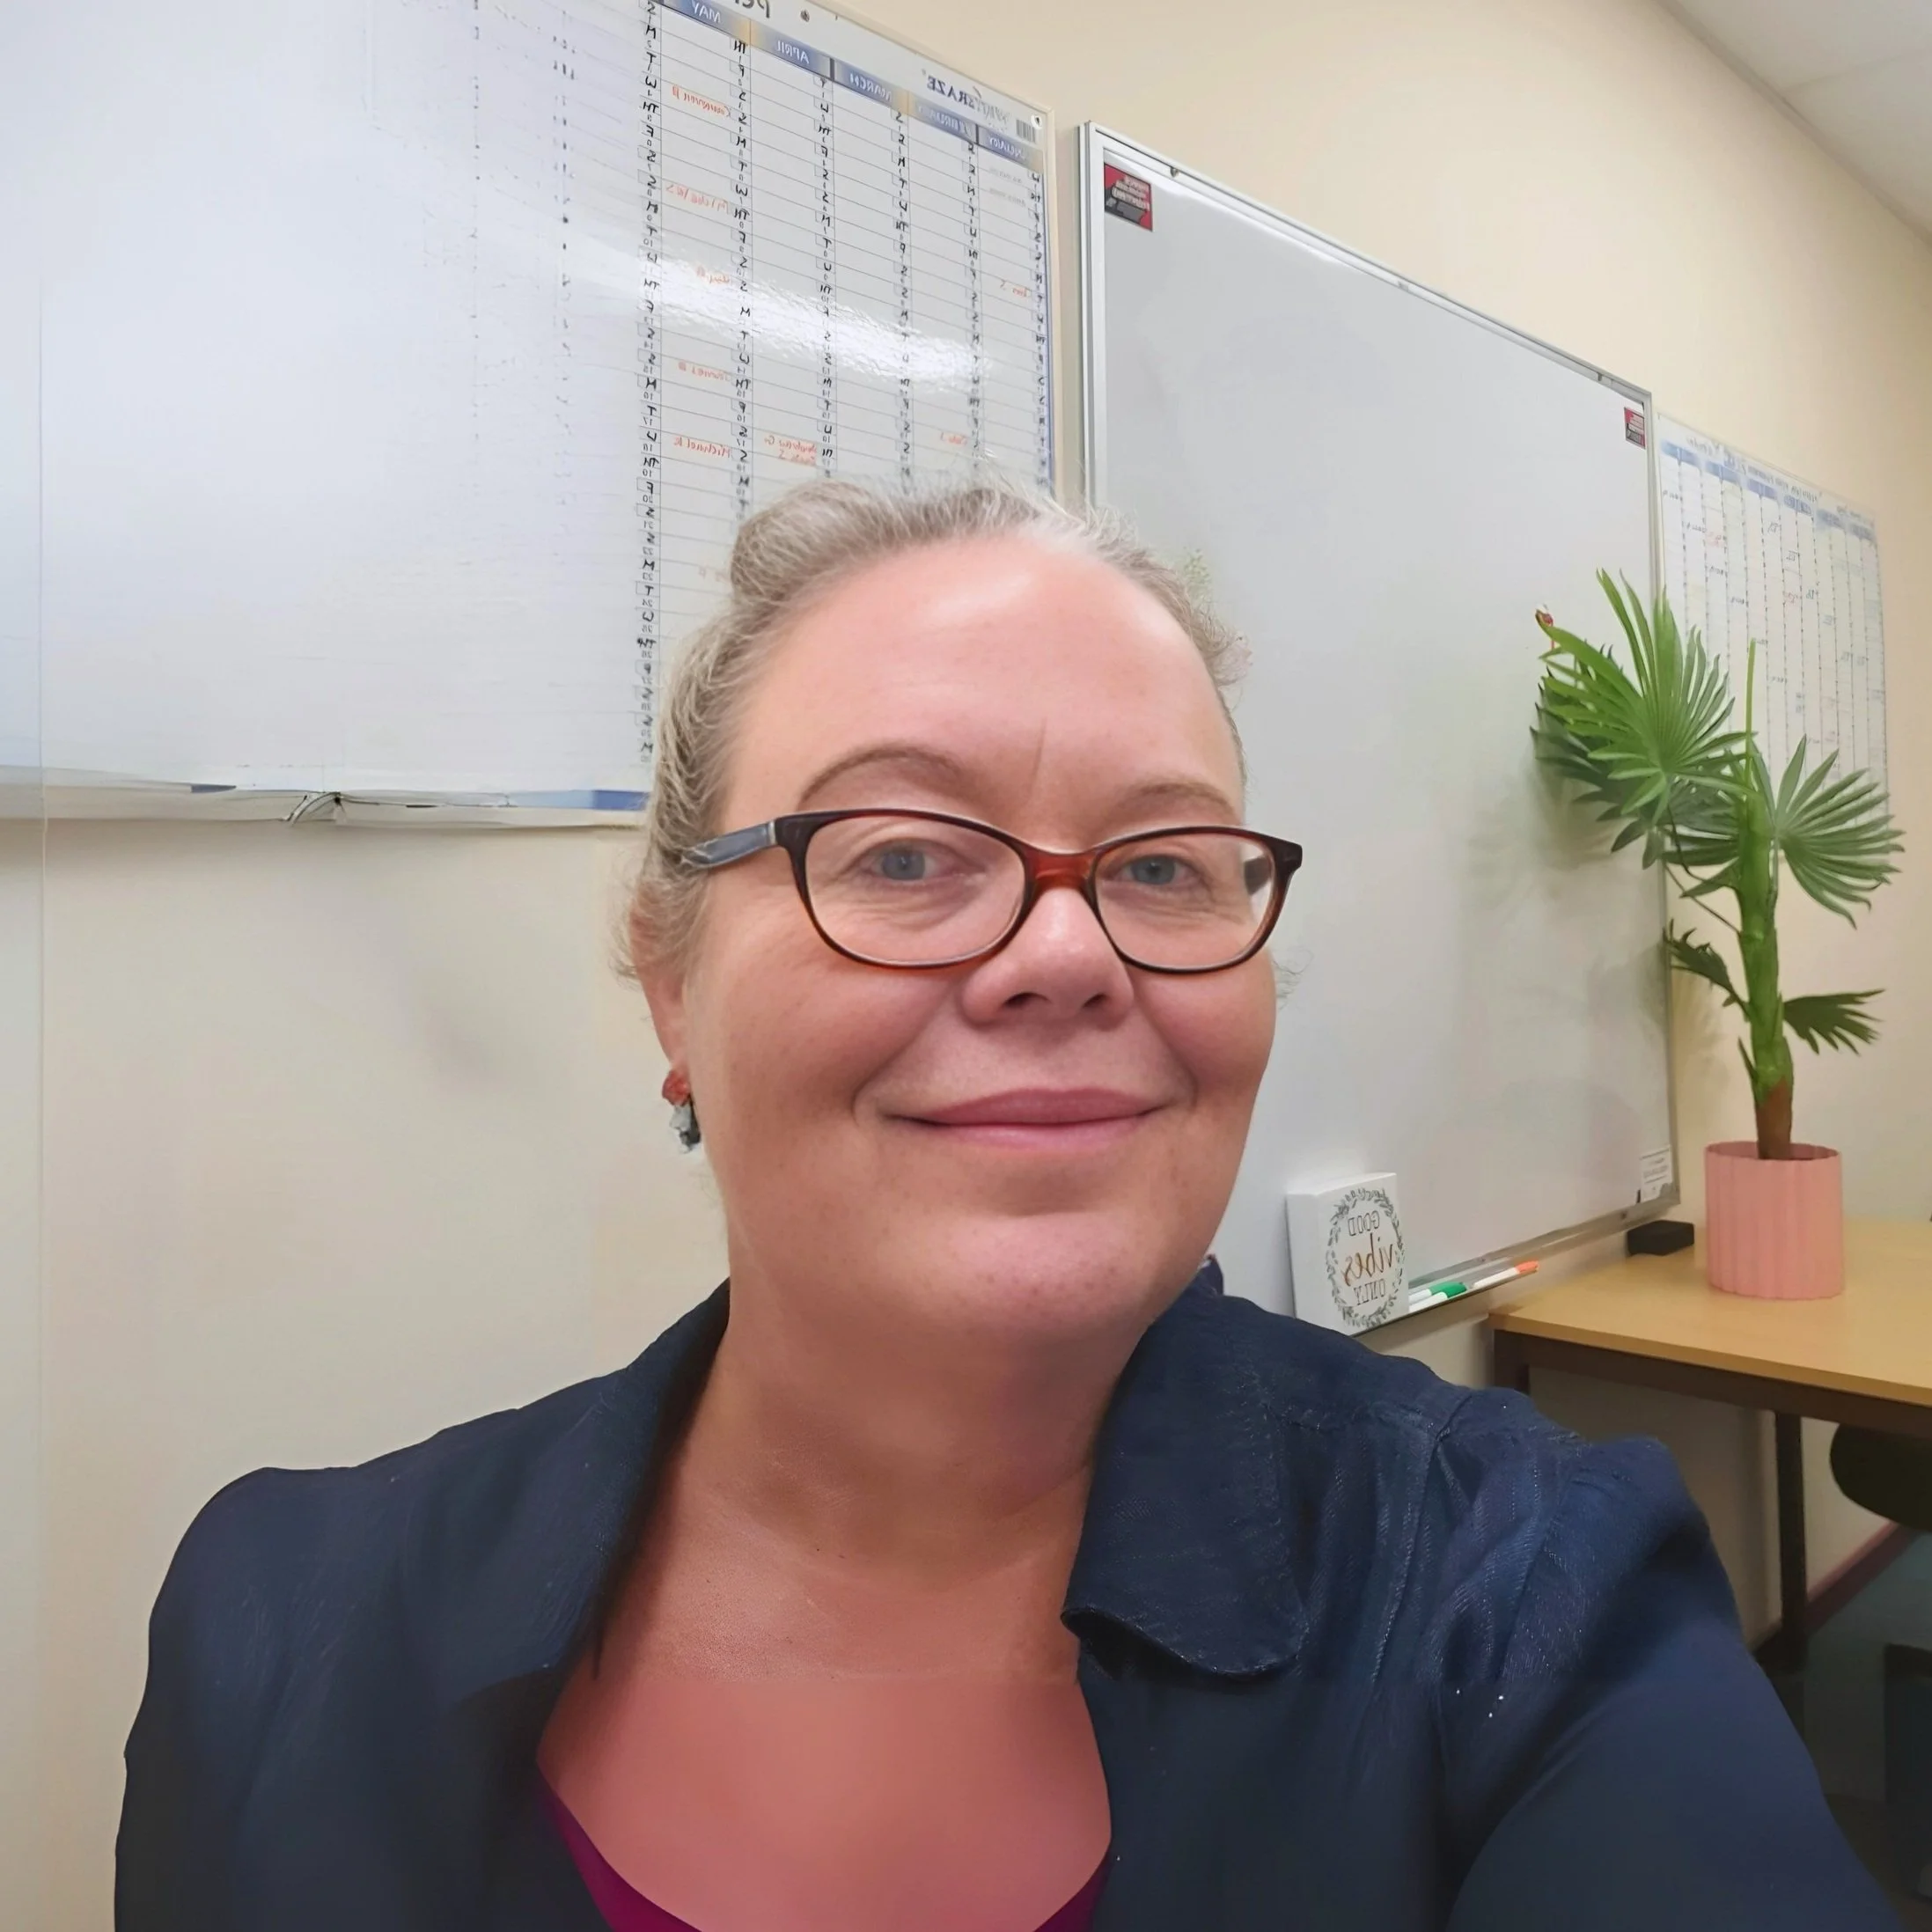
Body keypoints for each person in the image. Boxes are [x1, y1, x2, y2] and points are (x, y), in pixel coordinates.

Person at [117, 480, 1890, 1931]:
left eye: (1163, 864)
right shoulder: (283, 1621)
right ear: (669, 984)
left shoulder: (1524, 1600)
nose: (1063, 950)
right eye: (900, 852)